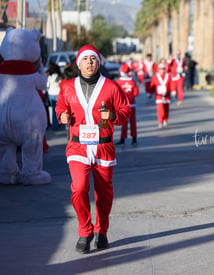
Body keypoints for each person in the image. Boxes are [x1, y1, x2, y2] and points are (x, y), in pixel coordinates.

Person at [55, 45, 131, 254]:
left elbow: (125, 110)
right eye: (85, 59)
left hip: (103, 146)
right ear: (79, 63)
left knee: (103, 193)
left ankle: (102, 230)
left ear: (99, 63)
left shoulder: (111, 87)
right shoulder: (67, 86)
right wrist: (62, 115)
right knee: (79, 188)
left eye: (93, 59)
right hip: (78, 146)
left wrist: (113, 117)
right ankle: (85, 230)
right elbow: (61, 107)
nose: (89, 63)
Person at [116, 63, 139, 145]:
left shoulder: (118, 81)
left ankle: (122, 139)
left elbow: (116, 94)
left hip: (123, 105)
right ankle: (134, 139)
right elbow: (136, 93)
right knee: (133, 121)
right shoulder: (132, 81)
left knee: (124, 122)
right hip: (132, 104)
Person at [150, 62, 176, 128]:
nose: (162, 70)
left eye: (163, 68)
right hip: (159, 96)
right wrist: (149, 92)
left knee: (166, 109)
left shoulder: (168, 76)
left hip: (167, 96)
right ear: (158, 69)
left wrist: (173, 91)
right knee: (160, 109)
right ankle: (160, 121)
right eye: (160, 69)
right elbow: (152, 85)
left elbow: (172, 84)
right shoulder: (155, 77)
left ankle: (165, 120)